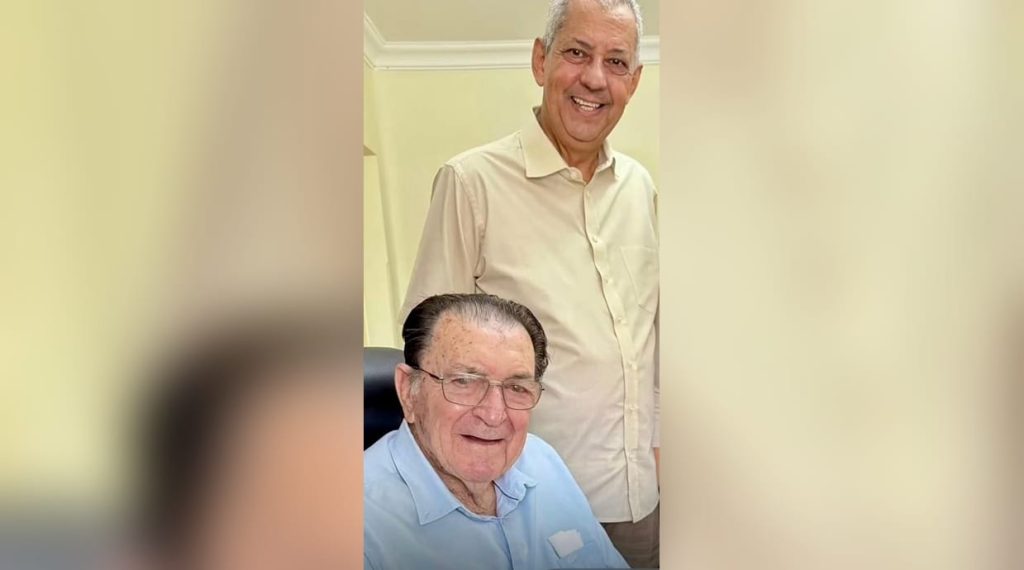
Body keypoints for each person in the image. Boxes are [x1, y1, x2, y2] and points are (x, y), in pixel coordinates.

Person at [400, 0, 659, 565]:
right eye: (577, 52)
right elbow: (427, 356)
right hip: (525, 509)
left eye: (616, 61)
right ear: (541, 60)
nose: (595, 78)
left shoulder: (641, 189)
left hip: (643, 500)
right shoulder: (472, 183)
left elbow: (651, 342)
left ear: (634, 82)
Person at [364, 294, 628, 569]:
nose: (494, 415)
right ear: (409, 391)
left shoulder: (542, 458)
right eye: (465, 381)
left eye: (516, 387)